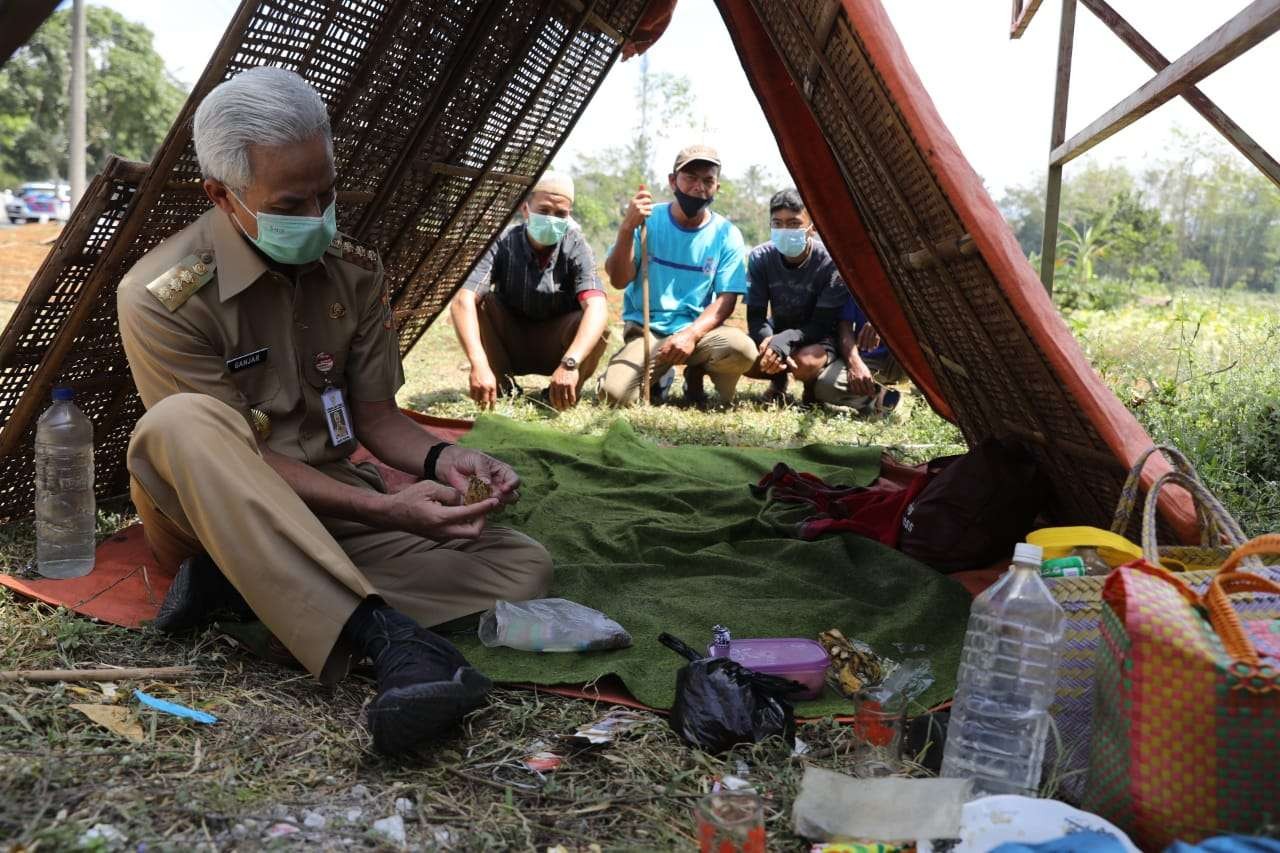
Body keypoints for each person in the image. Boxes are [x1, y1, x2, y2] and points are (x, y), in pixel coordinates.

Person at [116, 68, 552, 756]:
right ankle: (387, 636)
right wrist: (390, 511)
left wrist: (444, 458)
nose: (319, 214)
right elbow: (243, 460)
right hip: (216, 515)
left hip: (337, 510)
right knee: (182, 423)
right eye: (294, 201)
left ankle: (250, 593)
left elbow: (375, 417)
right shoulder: (161, 294)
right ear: (221, 196)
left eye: (327, 192)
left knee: (520, 567)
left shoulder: (354, 271)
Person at [598, 144, 756, 407]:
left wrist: (692, 334)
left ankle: (696, 374)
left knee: (743, 350)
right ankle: (661, 375)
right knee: (614, 396)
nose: (699, 187)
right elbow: (618, 280)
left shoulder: (727, 234)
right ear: (673, 181)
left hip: (699, 333)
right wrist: (627, 228)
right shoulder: (648, 221)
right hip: (649, 331)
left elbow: (726, 300)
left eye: (708, 180)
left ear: (717, 186)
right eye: (690, 178)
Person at [450, 172, 609, 411]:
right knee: (481, 303)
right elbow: (462, 301)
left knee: (597, 328)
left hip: (558, 347)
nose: (551, 219)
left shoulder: (576, 245)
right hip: (510, 342)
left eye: (560, 214)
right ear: (525, 209)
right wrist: (478, 362)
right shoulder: (503, 241)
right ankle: (501, 386)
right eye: (543, 211)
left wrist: (570, 363)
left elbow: (597, 307)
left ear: (569, 216)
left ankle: (560, 394)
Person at [744, 188, 901, 410]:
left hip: (817, 335)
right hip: (777, 328)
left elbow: (822, 323)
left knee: (805, 363)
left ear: (813, 226)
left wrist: (786, 340)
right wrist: (773, 343)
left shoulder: (830, 262)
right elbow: (756, 316)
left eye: (793, 223)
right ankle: (778, 385)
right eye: (777, 223)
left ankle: (812, 391)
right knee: (745, 357)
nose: (784, 230)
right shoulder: (760, 257)